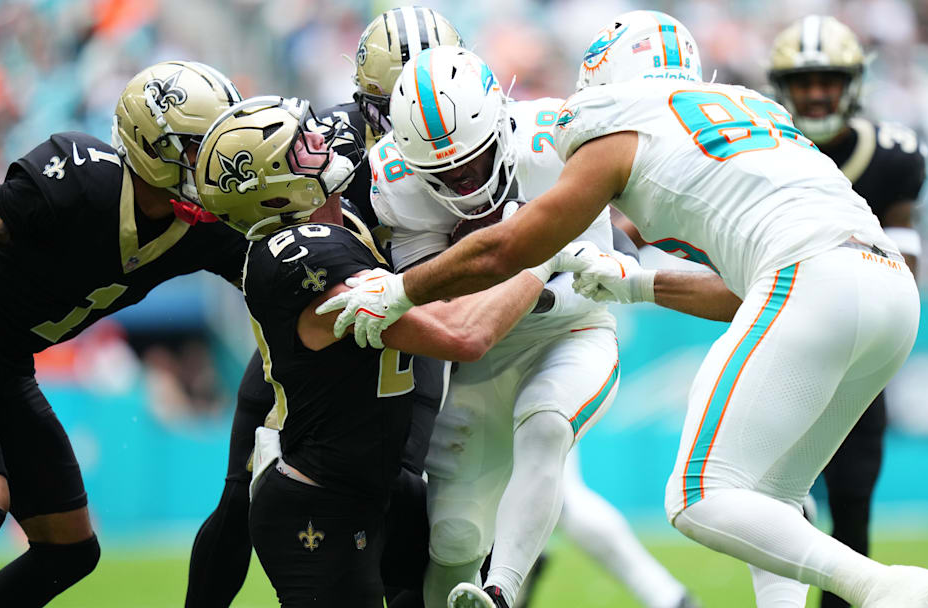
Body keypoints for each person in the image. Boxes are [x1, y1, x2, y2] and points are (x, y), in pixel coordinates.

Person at [321, 10, 928, 608]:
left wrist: (401, 291)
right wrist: (637, 284)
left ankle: (876, 586)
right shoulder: (753, 109)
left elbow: (512, 247)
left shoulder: (608, 123)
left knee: (699, 495)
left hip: (804, 276)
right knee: (772, 495)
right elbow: (744, 295)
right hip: (887, 285)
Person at [193, 94, 577, 607]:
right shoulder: (296, 258)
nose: (320, 143)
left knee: (466, 563)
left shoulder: (342, 221)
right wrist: (539, 256)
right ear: (272, 192)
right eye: (299, 149)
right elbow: (463, 335)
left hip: (377, 484)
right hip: (318, 503)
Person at [368, 45, 682, 608]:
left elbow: (575, 286)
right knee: (454, 536)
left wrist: (500, 266)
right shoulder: (399, 184)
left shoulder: (556, 138)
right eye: (444, 173)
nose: (464, 182)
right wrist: (537, 257)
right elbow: (442, 310)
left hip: (573, 333)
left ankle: (504, 590)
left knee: (547, 428)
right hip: (478, 363)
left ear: (501, 124)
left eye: (474, 160)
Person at [183, 8, 464, 607]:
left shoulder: (473, 136)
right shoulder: (315, 144)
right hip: (321, 340)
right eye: (399, 104)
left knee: (408, 496)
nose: (419, 119)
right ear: (367, 101)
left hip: (400, 338)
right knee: (239, 501)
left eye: (434, 98)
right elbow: (256, 227)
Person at [0, 60, 244, 607]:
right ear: (151, 144)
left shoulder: (202, 230)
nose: (212, 162)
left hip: (4, 362)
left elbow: (282, 275)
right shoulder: (79, 178)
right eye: (198, 146)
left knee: (68, 548)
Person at [767, 15, 928, 608]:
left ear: (853, 82)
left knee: (853, 510)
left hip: (855, 358)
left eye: (827, 79)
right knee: (776, 509)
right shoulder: (765, 150)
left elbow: (905, 274)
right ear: (782, 86)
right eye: (803, 80)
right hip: (779, 348)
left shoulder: (892, 159)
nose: (814, 93)